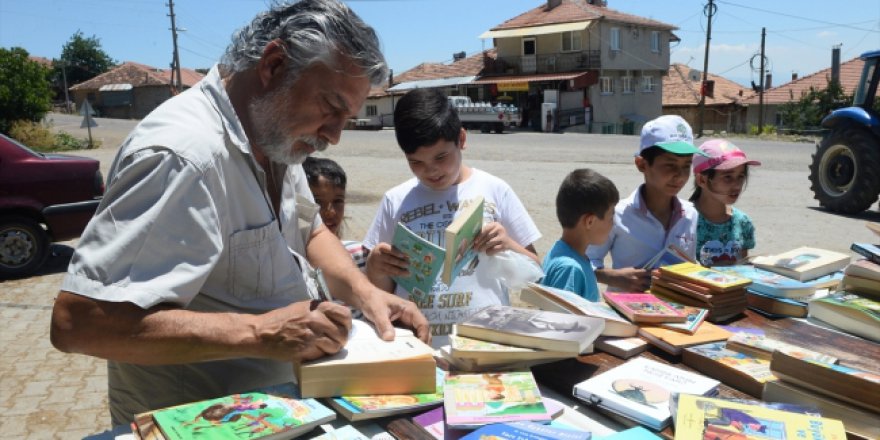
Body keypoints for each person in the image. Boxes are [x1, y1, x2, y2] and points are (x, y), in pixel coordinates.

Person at [49, 0, 428, 426]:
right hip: (194, 420)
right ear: (274, 65)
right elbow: (78, 322)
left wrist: (365, 293)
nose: (335, 136)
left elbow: (308, 229)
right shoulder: (183, 156)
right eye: (331, 107)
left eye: (348, 116)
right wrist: (260, 334)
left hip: (270, 412)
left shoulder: (277, 137)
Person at [362, 88, 541, 347]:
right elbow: (380, 293)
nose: (431, 170)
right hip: (416, 345)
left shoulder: (494, 189)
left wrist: (507, 244)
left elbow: (534, 271)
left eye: (441, 157)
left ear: (462, 139)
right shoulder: (395, 200)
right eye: (416, 162)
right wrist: (375, 266)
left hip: (486, 343)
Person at [587, 115, 707, 292]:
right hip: (628, 314)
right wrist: (614, 277)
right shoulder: (617, 214)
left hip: (677, 313)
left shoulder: (690, 214)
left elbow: (688, 264)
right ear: (642, 164)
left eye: (686, 166)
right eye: (670, 165)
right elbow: (585, 261)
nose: (680, 175)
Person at [541, 169, 619, 301]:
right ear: (590, 221)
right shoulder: (570, 269)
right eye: (611, 217)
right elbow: (561, 320)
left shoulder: (563, 251)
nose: (614, 224)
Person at [689, 139, 761, 266]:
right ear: (702, 180)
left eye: (741, 177)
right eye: (727, 177)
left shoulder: (743, 222)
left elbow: (743, 268)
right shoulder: (684, 220)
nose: (737, 185)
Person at [302, 156, 367, 269]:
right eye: (317, 201)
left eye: (337, 201)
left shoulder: (359, 257)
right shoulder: (292, 262)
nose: (330, 212)